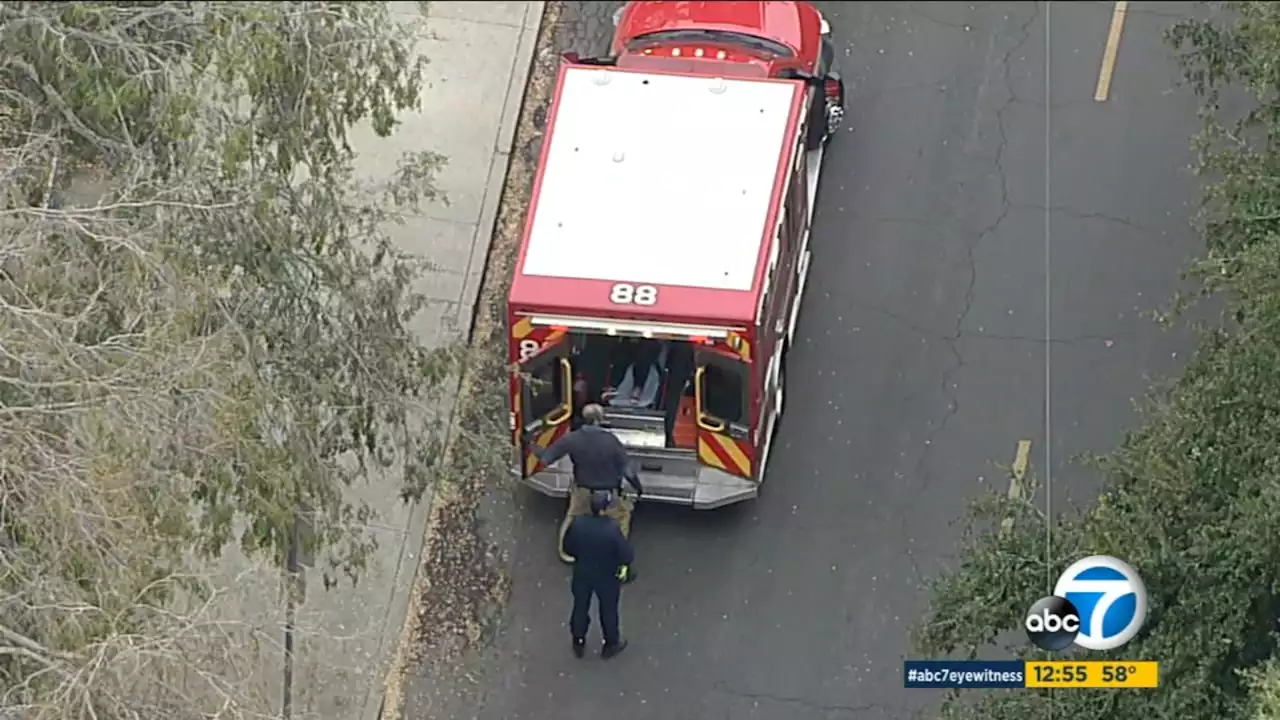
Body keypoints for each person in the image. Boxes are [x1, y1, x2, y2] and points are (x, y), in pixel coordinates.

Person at [534, 403, 643, 555]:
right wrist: (638, 488)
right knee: (622, 518)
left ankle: (565, 553)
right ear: (600, 419)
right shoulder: (611, 441)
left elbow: (546, 458)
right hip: (609, 493)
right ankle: (616, 553)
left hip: (583, 490)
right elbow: (628, 470)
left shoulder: (572, 438)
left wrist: (531, 445)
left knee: (572, 517)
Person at [562, 489, 634, 658]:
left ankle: (578, 641)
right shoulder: (612, 528)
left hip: (582, 573)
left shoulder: (578, 523)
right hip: (606, 576)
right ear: (605, 508)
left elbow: (567, 547)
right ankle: (610, 644)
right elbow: (627, 555)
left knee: (580, 606)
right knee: (608, 610)